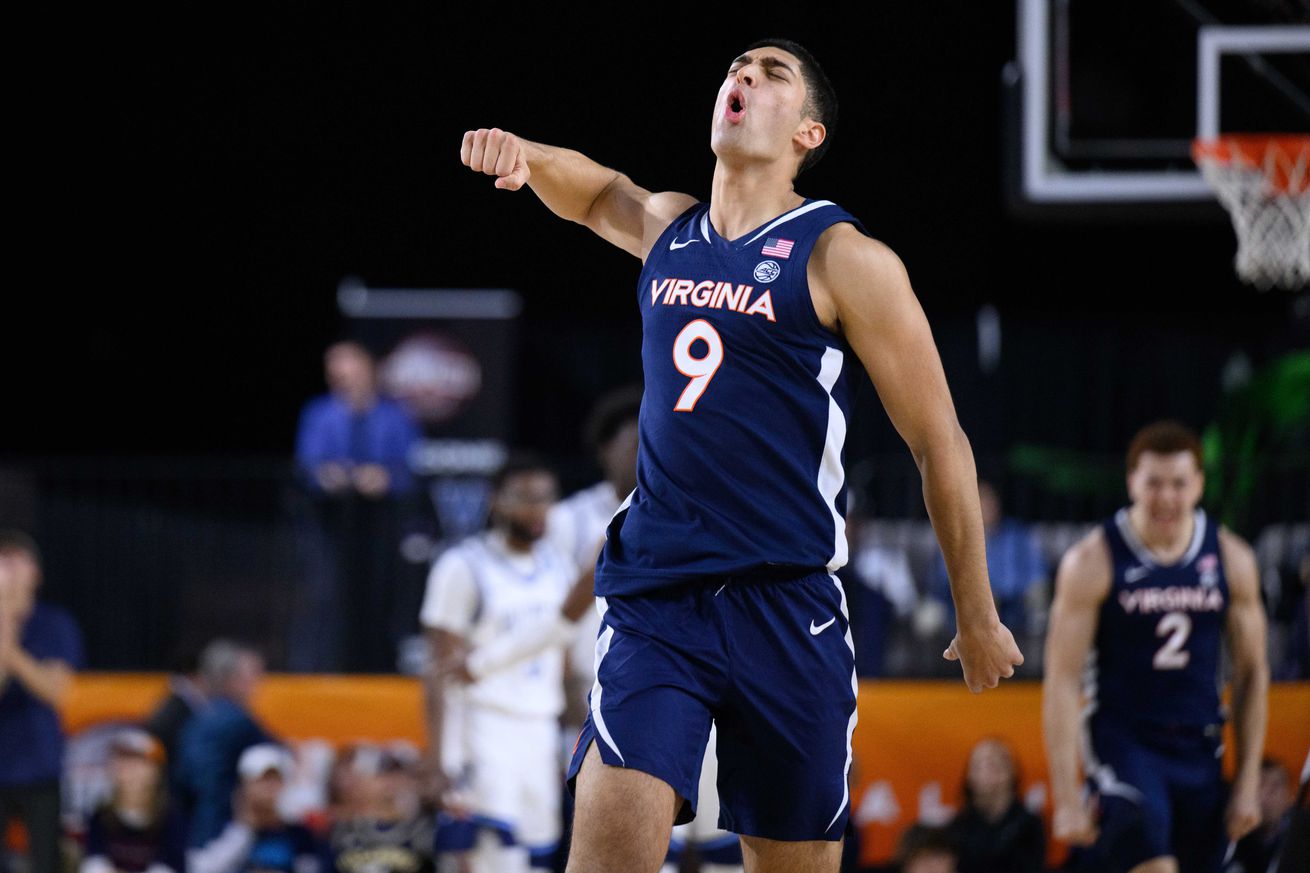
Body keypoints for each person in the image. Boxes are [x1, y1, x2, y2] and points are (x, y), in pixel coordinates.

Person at [459, 37, 1022, 872]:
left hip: (788, 604)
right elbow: (598, 192)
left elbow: (939, 441)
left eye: (772, 75)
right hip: (659, 599)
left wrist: (974, 611)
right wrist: (525, 155)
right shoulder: (670, 229)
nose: (744, 77)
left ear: (808, 133)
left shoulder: (844, 259)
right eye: (736, 68)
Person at [1043, 420, 1269, 873]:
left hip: (1200, 744)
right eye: (1154, 483)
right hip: (1124, 744)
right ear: (1132, 482)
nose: (1167, 496)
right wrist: (1067, 796)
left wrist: (1247, 784)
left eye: (1179, 483)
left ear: (1200, 485)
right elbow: (1062, 678)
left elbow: (1252, 674)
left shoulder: (1232, 558)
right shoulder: (1093, 560)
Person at [421, 455, 577, 872]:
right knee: (492, 858)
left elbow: (560, 663)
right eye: (525, 498)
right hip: (482, 725)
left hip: (539, 728)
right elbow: (437, 670)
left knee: (539, 855)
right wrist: (437, 761)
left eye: (545, 498)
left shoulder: (557, 566)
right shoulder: (462, 565)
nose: (537, 509)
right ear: (496, 502)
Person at [292, 340, 423, 672]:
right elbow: (307, 465)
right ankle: (320, 669)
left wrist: (385, 479)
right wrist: (328, 476)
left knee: (384, 600)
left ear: (369, 372)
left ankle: (381, 667)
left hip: (382, 524)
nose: (341, 379)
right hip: (330, 524)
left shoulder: (397, 417)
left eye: (349, 371)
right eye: (335, 373)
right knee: (325, 598)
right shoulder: (318, 413)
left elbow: (412, 470)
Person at [0, 529, 85, 873]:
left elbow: (55, 690)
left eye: (17, 563)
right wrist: (5, 622)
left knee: (45, 863)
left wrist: (9, 649)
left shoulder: (55, 623)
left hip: (40, 767)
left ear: (35, 573)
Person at [175, 640, 274, 848]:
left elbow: (184, 774)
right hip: (220, 821)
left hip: (194, 821)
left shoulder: (198, 718)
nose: (255, 685)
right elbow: (278, 753)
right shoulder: (235, 718)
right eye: (250, 677)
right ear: (231, 680)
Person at [928, 480, 1046, 649]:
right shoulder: (955, 538)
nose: (985, 508)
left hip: (1010, 607)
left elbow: (1036, 576)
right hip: (964, 608)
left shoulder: (1016, 536)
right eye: (979, 502)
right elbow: (942, 579)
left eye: (989, 502)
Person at [188, 744, 323, 873]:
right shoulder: (218, 824)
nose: (269, 787)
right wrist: (244, 829)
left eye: (275, 779)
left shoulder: (299, 834)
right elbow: (200, 869)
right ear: (244, 785)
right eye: (262, 780)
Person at [80, 729, 187, 873]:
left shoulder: (170, 818)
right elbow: (93, 861)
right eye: (121, 762)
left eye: (137, 763)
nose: (127, 771)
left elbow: (172, 865)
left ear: (155, 771)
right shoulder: (102, 814)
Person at [327, 744, 434, 873]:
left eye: (396, 775)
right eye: (381, 775)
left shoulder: (422, 826)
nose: (390, 782)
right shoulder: (334, 826)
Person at [945, 738, 1043, 873]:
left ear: (1012, 771)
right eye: (979, 765)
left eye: (994, 764)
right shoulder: (957, 827)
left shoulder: (1030, 825)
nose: (986, 772)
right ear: (969, 775)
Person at [1225, 758, 1296, 873]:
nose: (1267, 794)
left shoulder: (1299, 839)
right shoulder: (1224, 834)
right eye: (1260, 784)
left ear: (1290, 798)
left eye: (1276, 786)